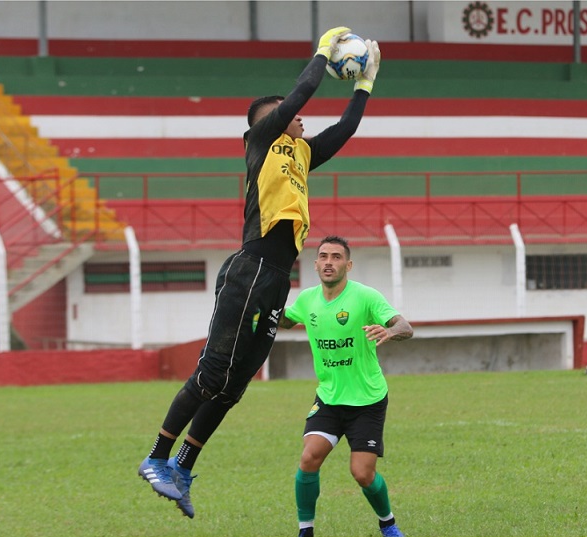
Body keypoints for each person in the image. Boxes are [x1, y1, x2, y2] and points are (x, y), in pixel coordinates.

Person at [137, 28, 382, 519]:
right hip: (249, 270)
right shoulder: (261, 142)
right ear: (268, 122)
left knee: (234, 386)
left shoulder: (302, 154)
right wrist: (323, 47)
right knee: (212, 374)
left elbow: (346, 128)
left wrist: (365, 83)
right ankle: (157, 458)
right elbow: (301, 94)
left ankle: (183, 466)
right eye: (290, 114)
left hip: (275, 279)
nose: (300, 118)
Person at [279, 235, 413, 537]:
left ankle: (388, 524)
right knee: (309, 457)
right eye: (324, 256)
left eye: (336, 257)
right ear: (315, 264)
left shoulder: (365, 297)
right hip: (329, 397)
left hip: (367, 399)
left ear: (348, 265)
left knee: (362, 474)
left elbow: (405, 326)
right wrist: (255, 311)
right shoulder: (307, 299)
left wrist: (390, 333)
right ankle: (305, 530)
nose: (329, 262)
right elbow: (285, 320)